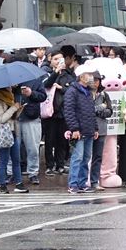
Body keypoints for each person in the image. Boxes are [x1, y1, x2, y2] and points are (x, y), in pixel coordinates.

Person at [0, 86, 28, 194]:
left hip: (13, 133)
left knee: (16, 160)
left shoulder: (9, 99)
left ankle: (19, 184)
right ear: (3, 89)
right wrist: (13, 108)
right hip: (3, 135)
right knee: (3, 161)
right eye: (8, 87)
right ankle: (2, 185)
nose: (11, 89)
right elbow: (0, 119)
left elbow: (12, 117)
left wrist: (19, 109)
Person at [63, 63, 99, 194]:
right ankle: (73, 184)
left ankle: (82, 183)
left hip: (89, 130)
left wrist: (95, 128)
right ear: (81, 76)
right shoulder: (72, 92)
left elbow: (91, 112)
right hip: (79, 130)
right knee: (77, 157)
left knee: (86, 157)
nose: (91, 77)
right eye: (88, 75)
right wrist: (74, 129)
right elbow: (69, 111)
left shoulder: (88, 92)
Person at [42, 48, 76, 176]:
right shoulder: (47, 73)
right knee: (49, 140)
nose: (58, 62)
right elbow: (46, 85)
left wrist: (62, 88)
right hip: (50, 113)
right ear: (50, 59)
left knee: (62, 140)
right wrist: (55, 72)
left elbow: (73, 90)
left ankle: (60, 164)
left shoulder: (68, 75)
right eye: (55, 59)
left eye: (60, 59)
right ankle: (50, 165)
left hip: (63, 112)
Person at [90, 72, 113, 191]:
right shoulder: (86, 93)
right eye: (92, 80)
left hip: (102, 129)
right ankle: (84, 180)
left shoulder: (104, 95)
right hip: (88, 129)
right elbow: (87, 110)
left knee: (98, 156)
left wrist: (99, 111)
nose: (95, 82)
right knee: (85, 156)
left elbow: (110, 111)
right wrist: (100, 108)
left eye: (97, 80)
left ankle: (94, 181)